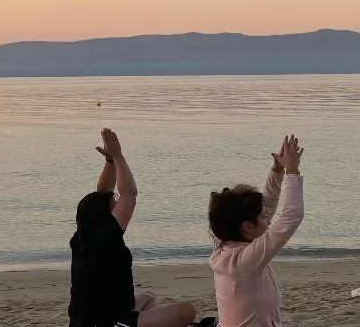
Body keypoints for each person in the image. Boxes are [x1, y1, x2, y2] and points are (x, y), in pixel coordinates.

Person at [70, 128, 197, 327]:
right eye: (114, 203)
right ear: (106, 214)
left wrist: (111, 160)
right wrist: (118, 155)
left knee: (148, 298)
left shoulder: (83, 234)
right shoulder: (106, 235)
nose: (117, 202)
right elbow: (129, 192)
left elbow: (103, 191)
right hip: (107, 322)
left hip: (84, 321)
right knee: (188, 310)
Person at [209, 135, 306, 327]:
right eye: (262, 218)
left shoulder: (226, 249)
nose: (268, 220)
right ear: (247, 226)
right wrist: (292, 172)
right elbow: (291, 216)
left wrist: (277, 171)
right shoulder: (246, 261)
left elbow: (266, 209)